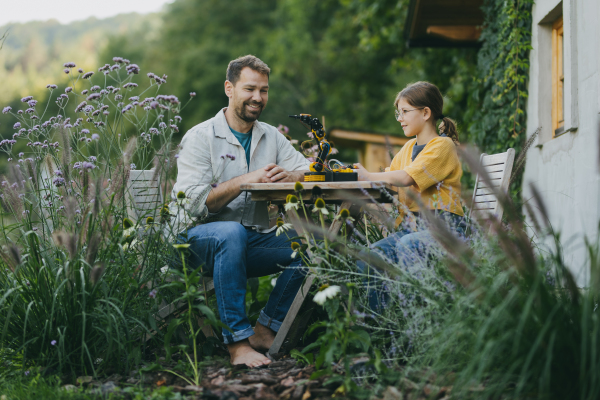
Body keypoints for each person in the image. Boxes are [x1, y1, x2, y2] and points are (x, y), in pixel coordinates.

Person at [170, 55, 310, 367]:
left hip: (249, 241)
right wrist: (245, 180)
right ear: (229, 88)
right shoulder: (200, 137)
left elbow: (307, 169)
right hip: (192, 244)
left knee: (311, 245)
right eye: (250, 89)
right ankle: (238, 345)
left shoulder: (270, 135)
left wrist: (293, 176)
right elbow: (193, 202)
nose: (258, 98)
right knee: (230, 232)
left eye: (264, 90)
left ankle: (265, 329)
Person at [352, 81, 465, 310]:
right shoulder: (406, 149)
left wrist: (368, 175)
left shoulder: (442, 146)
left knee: (408, 244)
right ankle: (384, 331)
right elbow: (391, 178)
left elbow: (405, 178)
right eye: (398, 113)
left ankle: (419, 321)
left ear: (425, 113)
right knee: (368, 256)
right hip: (413, 227)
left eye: (405, 112)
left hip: (446, 227)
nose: (400, 118)